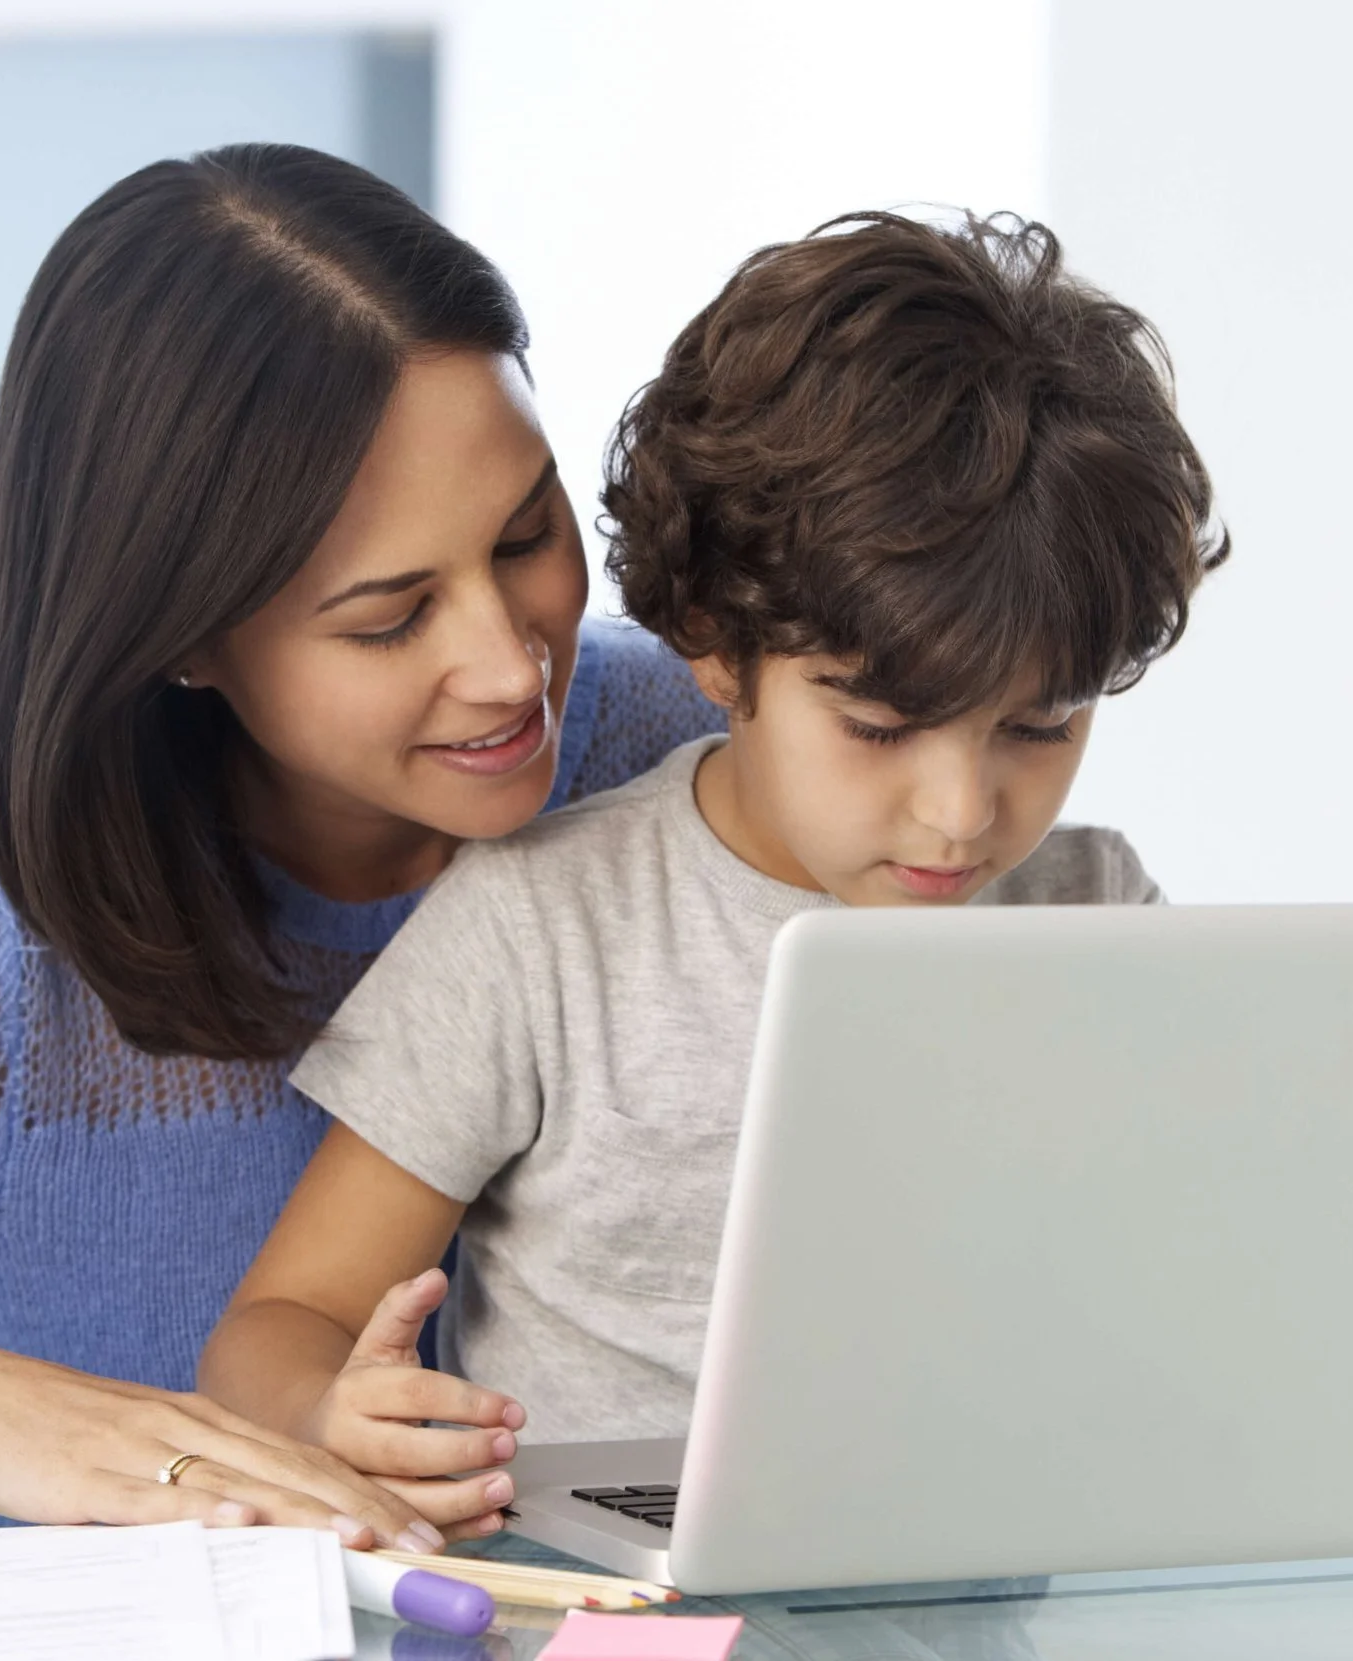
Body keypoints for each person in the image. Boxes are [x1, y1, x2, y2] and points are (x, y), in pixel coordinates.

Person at [0, 143, 724, 1572]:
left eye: (526, 534)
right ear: (177, 634)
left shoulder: (684, 752)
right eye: (387, 616)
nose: (508, 667)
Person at [197, 212, 1228, 1473]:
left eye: (1037, 724)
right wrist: (323, 1412)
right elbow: (275, 1324)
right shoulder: (541, 927)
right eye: (877, 728)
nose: (962, 812)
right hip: (610, 1588)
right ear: (713, 644)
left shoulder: (1095, 908)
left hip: (981, 1569)